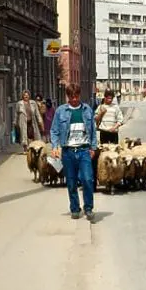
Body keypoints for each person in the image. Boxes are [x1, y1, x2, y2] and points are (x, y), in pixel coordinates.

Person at [51, 83, 97, 222]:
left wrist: (93, 148)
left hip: (84, 150)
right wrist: (55, 146)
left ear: (79, 95)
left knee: (88, 179)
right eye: (71, 97)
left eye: (76, 96)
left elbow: (93, 131)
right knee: (71, 182)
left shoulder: (87, 110)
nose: (74, 99)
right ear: (68, 97)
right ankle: (75, 209)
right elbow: (54, 130)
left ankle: (88, 208)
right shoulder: (61, 111)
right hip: (68, 151)